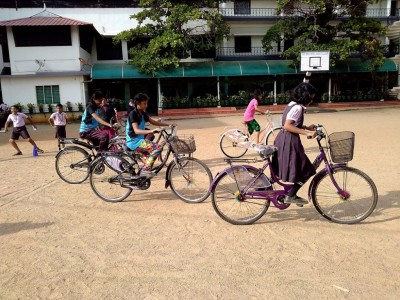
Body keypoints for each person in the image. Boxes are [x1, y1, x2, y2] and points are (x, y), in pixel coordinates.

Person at [272, 82, 317, 205]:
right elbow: (287, 125)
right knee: (307, 170)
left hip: (284, 139)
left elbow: (292, 123)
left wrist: (307, 127)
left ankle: (264, 187)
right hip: (290, 141)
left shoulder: (292, 105)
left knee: (282, 169)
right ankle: (291, 195)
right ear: (306, 96)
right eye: (311, 98)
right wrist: (306, 133)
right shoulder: (298, 108)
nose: (311, 101)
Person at [126, 93, 172, 177]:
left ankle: (141, 175)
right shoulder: (133, 114)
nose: (146, 105)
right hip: (134, 141)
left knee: (149, 158)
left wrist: (168, 125)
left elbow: (153, 121)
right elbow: (136, 130)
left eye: (146, 103)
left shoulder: (142, 113)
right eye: (144, 103)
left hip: (139, 140)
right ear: (138, 103)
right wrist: (152, 130)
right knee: (157, 148)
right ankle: (144, 171)